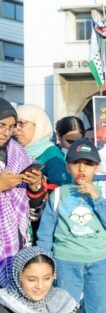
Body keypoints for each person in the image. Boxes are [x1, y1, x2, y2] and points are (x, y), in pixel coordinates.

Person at [36, 139, 106, 313]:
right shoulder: (59, 194)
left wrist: (96, 197)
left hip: (99, 261)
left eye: (88, 163)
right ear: (68, 167)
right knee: (65, 310)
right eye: (76, 162)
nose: (82, 168)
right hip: (65, 260)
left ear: (97, 167)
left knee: (97, 311)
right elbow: (45, 234)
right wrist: (45, 262)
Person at [0, 99, 46, 287]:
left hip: (14, 240)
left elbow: (35, 206)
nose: (7, 131)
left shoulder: (20, 154)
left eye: (12, 127)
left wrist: (34, 185)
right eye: (2, 125)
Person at [14, 104, 68, 186]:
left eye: (21, 123)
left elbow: (60, 189)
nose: (16, 128)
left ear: (38, 125)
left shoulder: (52, 154)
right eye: (14, 124)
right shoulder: (11, 150)